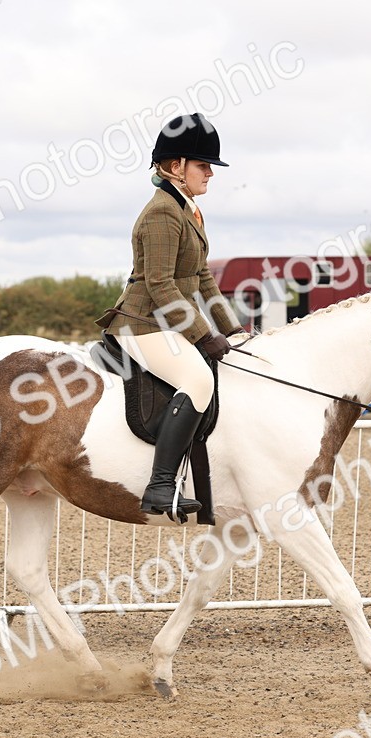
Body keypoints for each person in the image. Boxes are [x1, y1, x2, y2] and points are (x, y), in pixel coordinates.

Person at [95, 113, 243, 519]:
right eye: (202, 165)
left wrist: (234, 330)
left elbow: (201, 279)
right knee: (196, 379)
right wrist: (202, 335)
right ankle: (160, 486)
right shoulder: (162, 213)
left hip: (162, 323)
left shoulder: (188, 209)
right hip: (140, 324)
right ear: (175, 166)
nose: (210, 173)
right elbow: (161, 287)